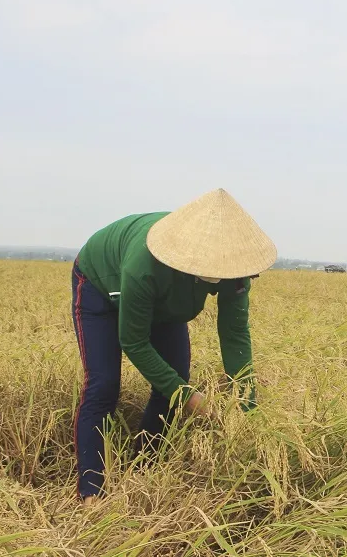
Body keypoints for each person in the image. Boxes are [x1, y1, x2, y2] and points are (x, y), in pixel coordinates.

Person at [71, 188, 277, 505]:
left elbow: (235, 335)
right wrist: (188, 396)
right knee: (103, 385)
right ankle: (91, 493)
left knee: (173, 378)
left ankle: (143, 469)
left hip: (165, 303)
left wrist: (245, 406)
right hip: (101, 285)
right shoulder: (146, 266)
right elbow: (134, 341)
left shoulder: (233, 267)